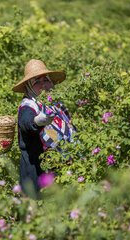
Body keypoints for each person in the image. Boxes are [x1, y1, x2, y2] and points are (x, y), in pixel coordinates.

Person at [12, 59, 77, 198]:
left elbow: (69, 126)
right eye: (37, 82)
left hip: (58, 170)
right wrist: (37, 121)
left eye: (45, 80)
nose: (43, 85)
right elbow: (26, 123)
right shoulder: (28, 106)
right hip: (36, 173)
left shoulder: (55, 105)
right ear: (29, 86)